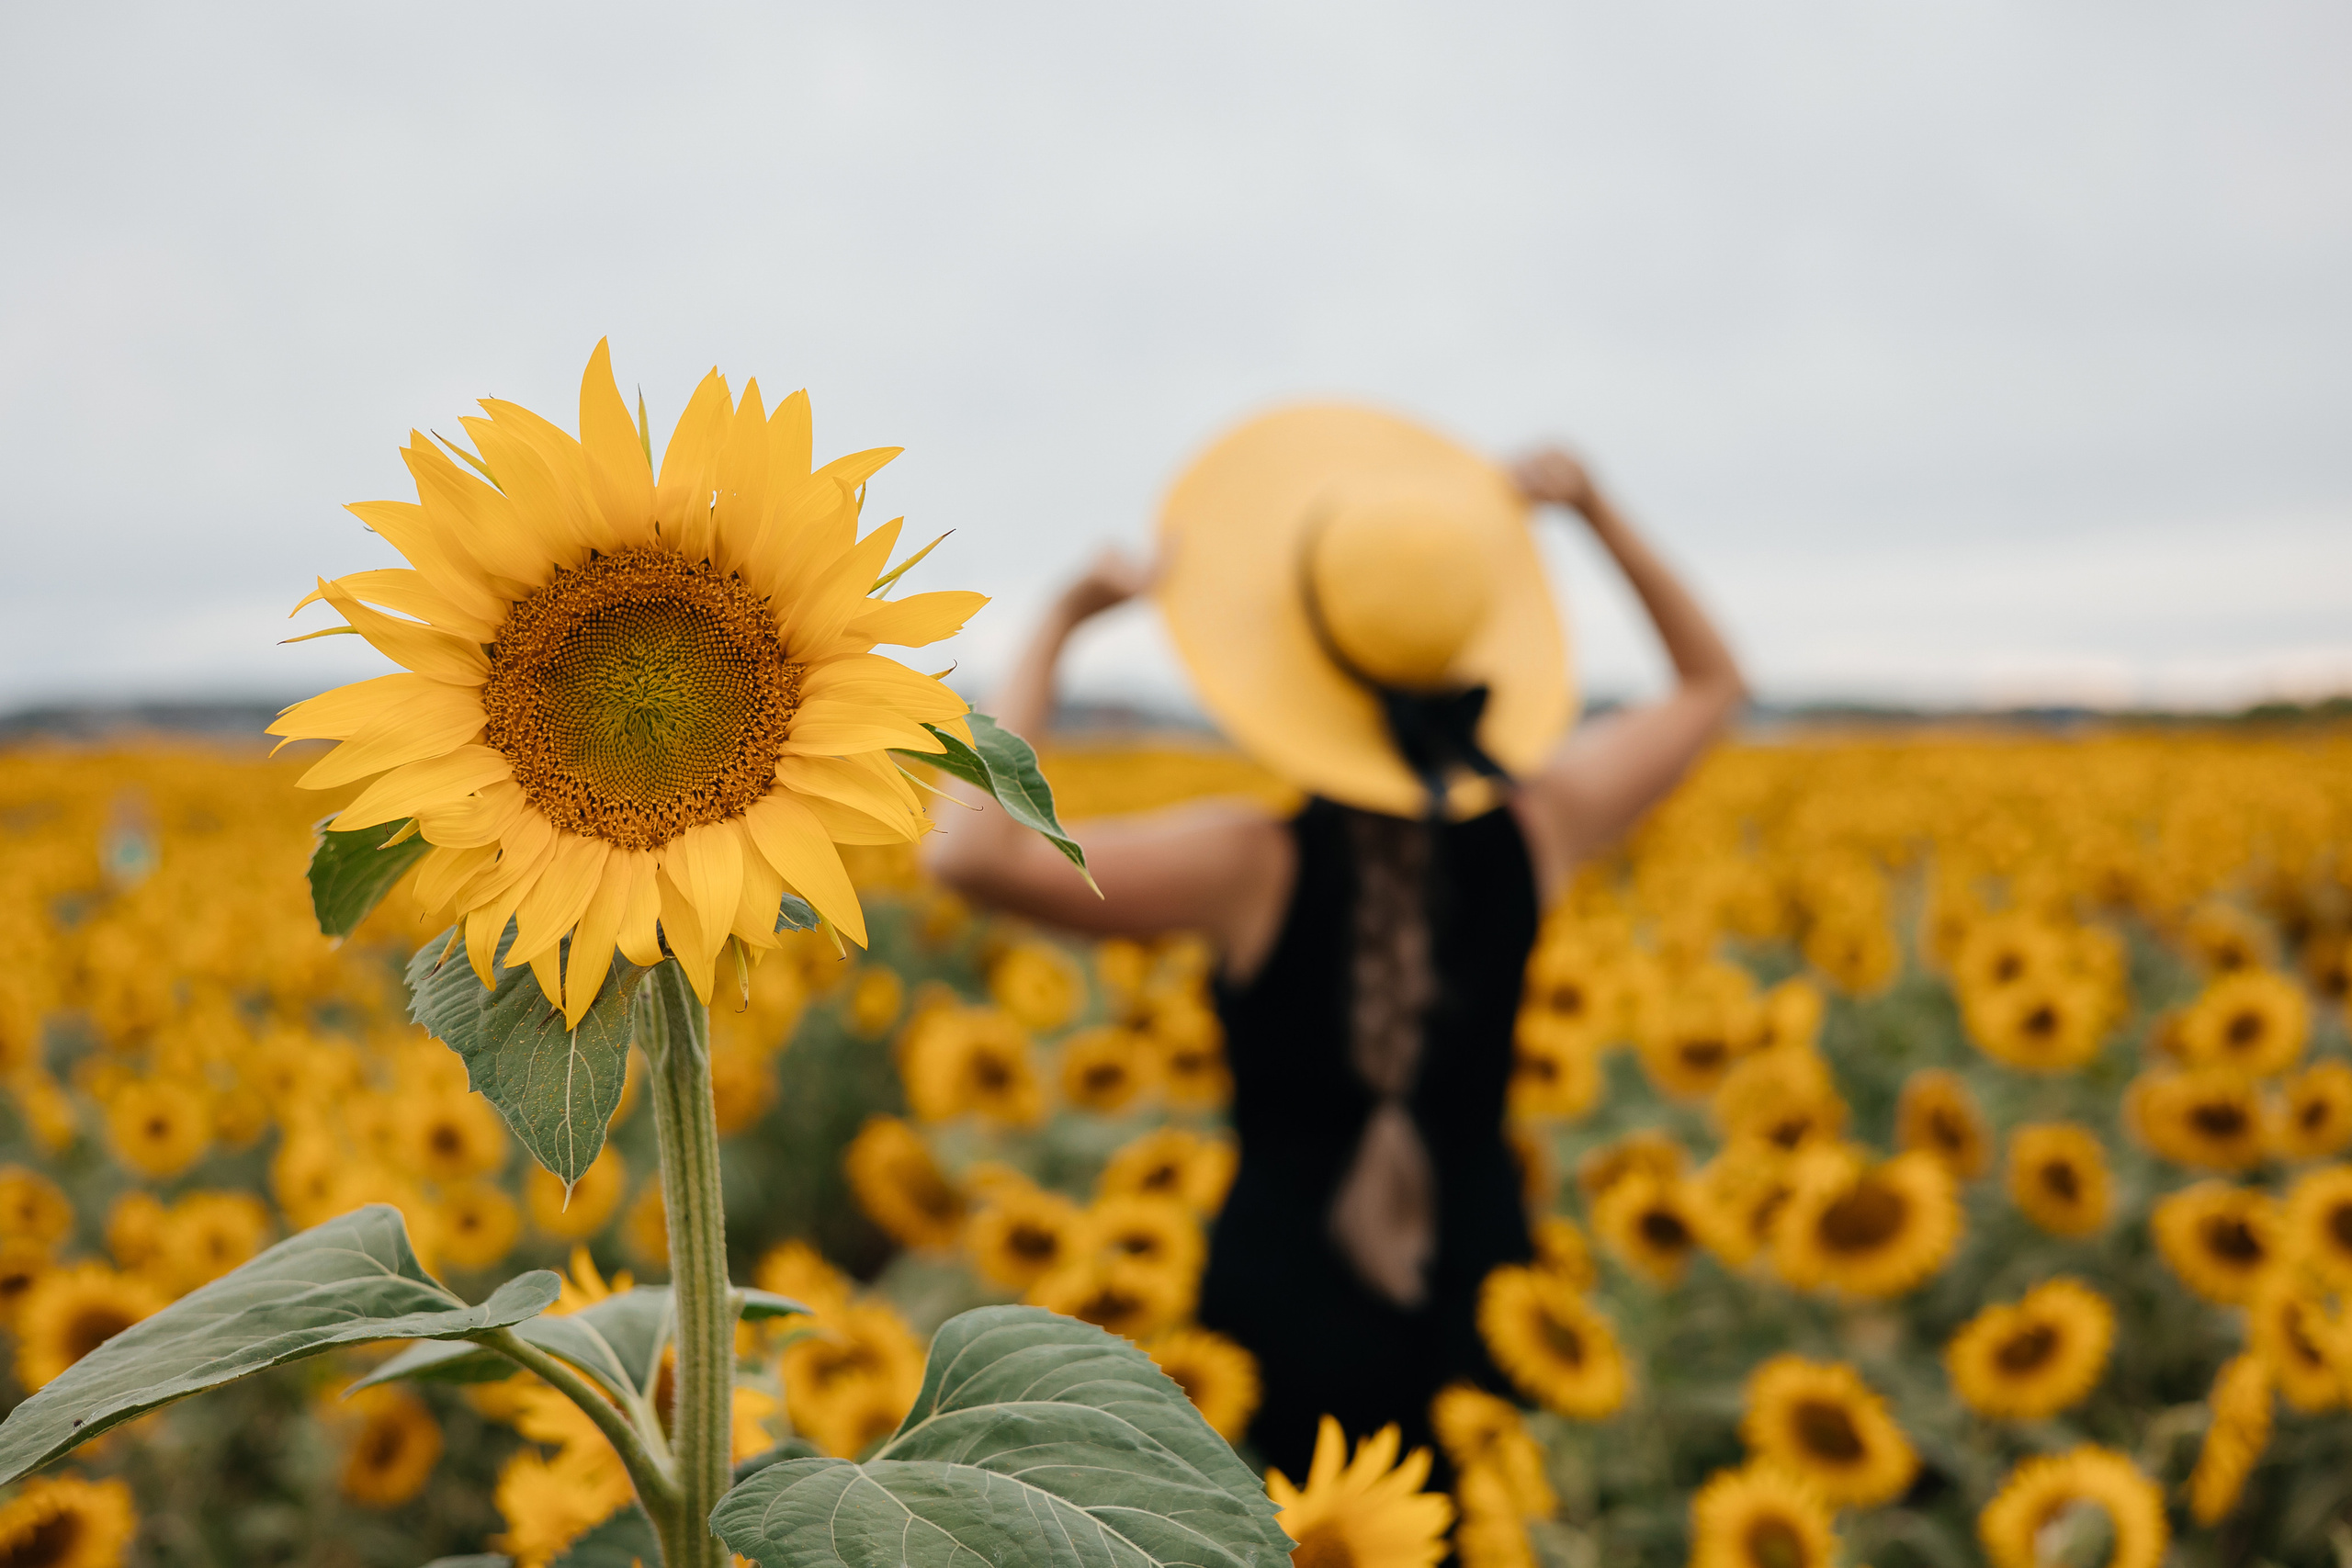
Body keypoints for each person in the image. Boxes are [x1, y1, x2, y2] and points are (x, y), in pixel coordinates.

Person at [928, 404, 1744, 1477]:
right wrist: (1593, 510)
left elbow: (970, 858)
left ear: (1297, 658)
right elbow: (1712, 684)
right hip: (1484, 1281)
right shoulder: (1543, 827)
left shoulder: (1247, 864)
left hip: (1282, 1293)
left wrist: (1056, 625)